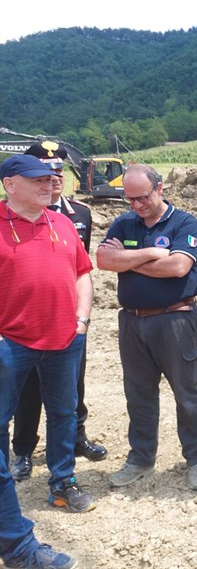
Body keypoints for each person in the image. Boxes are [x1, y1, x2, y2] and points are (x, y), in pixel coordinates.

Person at [96, 164, 197, 490]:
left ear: (160, 189)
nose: (136, 205)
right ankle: (141, 458)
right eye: (130, 199)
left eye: (142, 197)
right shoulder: (124, 223)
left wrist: (128, 261)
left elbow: (177, 266)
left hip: (175, 320)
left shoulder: (184, 222)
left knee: (187, 394)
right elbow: (104, 261)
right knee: (139, 395)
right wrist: (148, 254)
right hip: (133, 321)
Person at [0, 154, 96, 519]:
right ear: (11, 185)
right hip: (11, 342)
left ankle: (63, 482)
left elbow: (82, 273)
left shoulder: (62, 223)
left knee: (63, 413)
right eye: (37, 179)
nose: (48, 184)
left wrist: (82, 320)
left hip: (64, 340)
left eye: (50, 178)